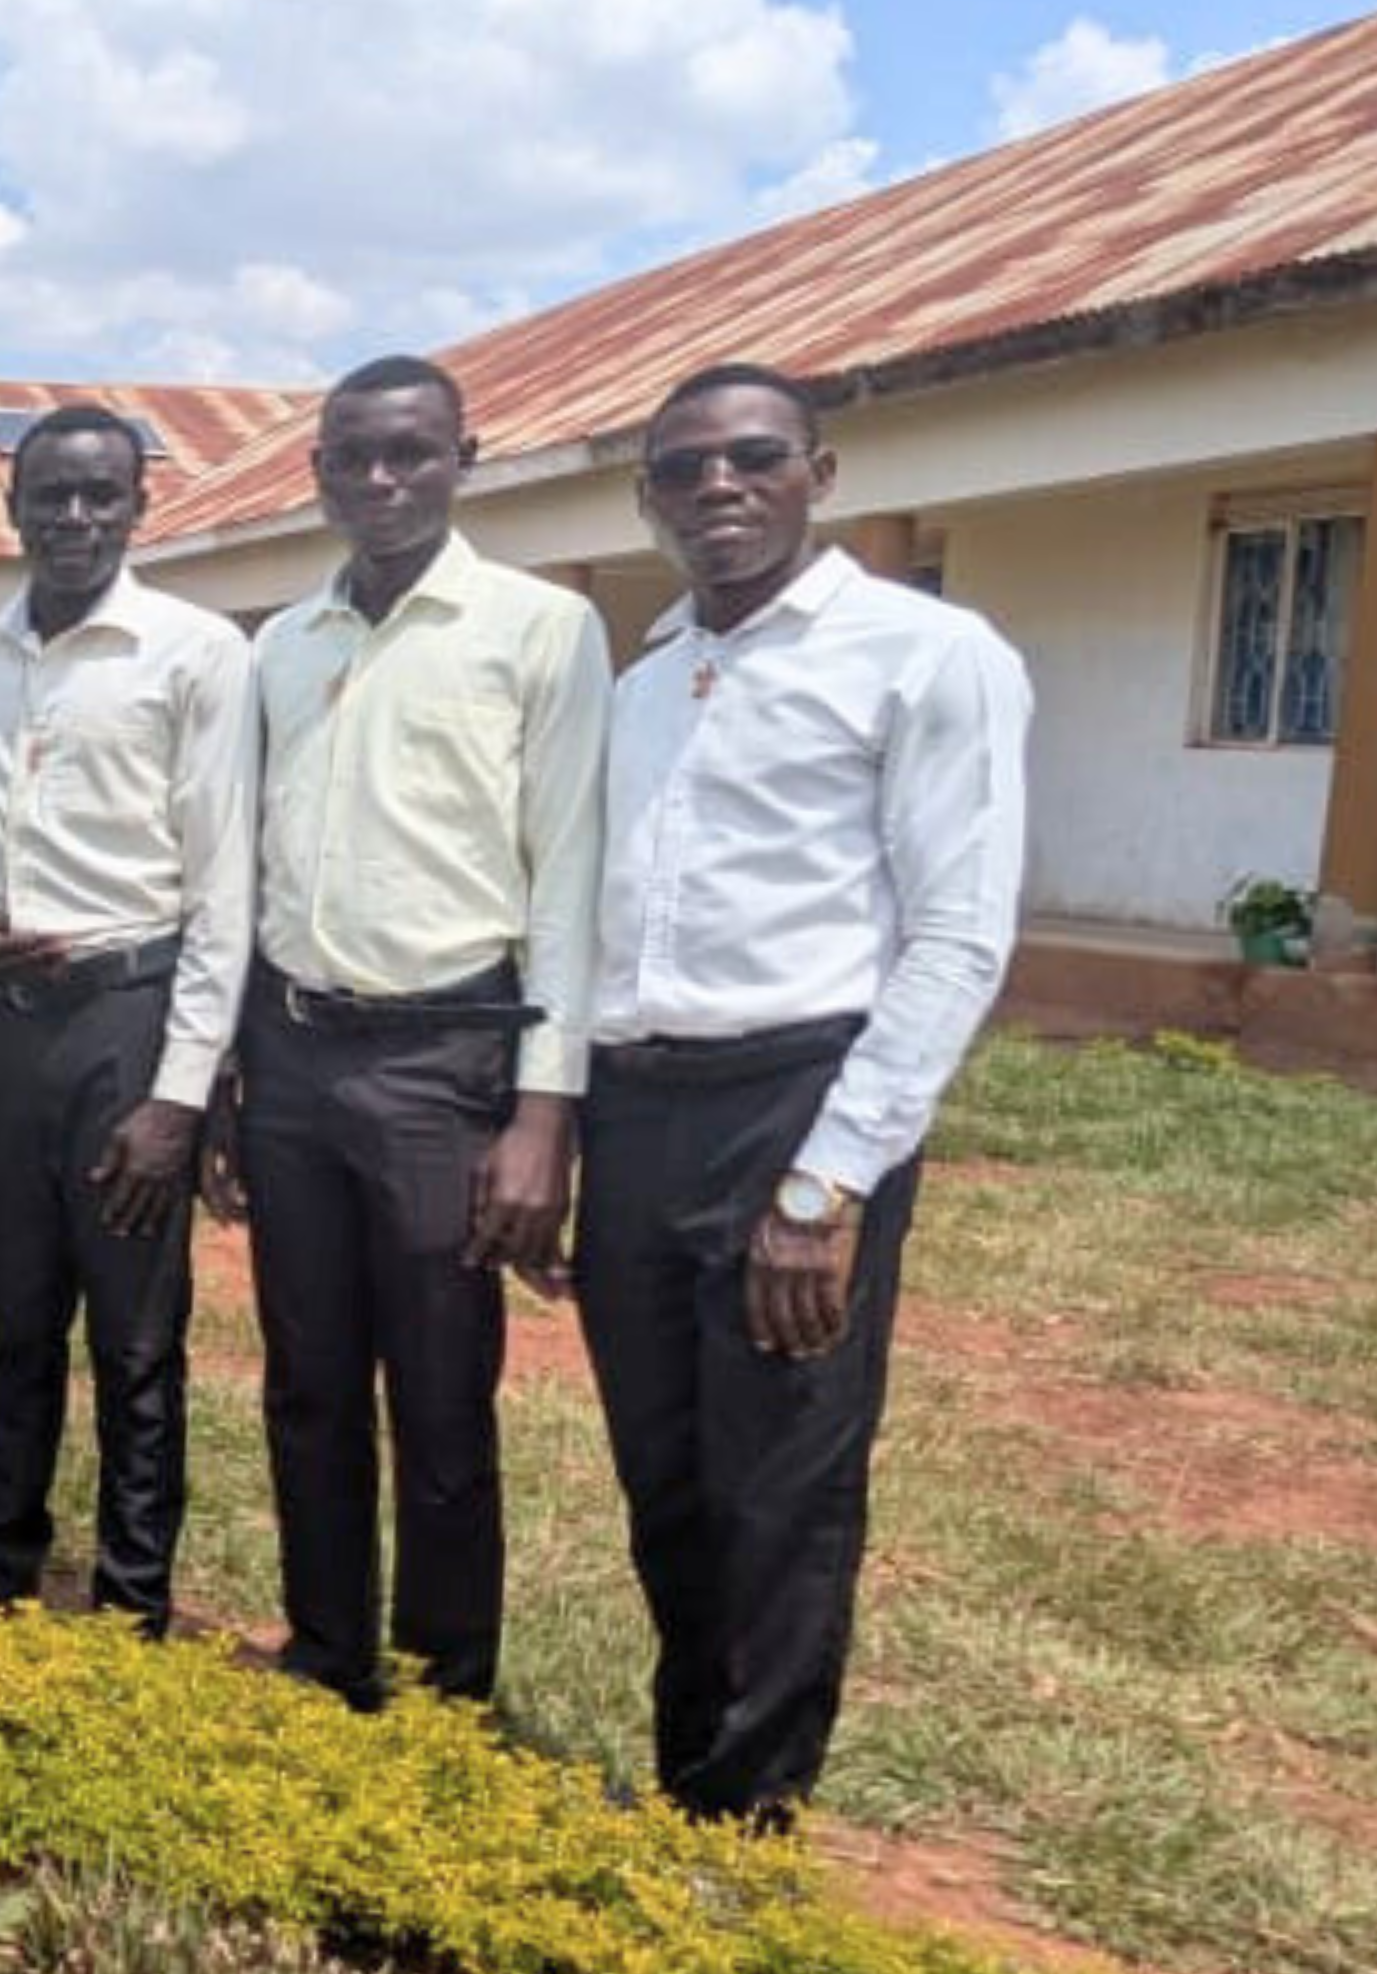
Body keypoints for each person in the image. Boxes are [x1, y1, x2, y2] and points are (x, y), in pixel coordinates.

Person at [579, 362, 1030, 1825]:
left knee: (781, 1480)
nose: (718, 486)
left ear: (818, 474)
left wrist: (827, 1181)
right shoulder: (647, 680)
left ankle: (751, 1817)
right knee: (665, 1472)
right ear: (648, 498)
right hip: (634, 1104)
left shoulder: (924, 654)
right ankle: (686, 1782)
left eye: (753, 457)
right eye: (683, 468)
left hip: (793, 1104)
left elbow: (956, 933)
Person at [213, 355, 610, 1709]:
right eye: (354, 457)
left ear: (463, 459)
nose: (381, 480)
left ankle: (445, 1683)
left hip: (446, 1055)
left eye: (412, 453)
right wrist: (229, 1066)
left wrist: (545, 1108)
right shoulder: (283, 643)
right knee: (307, 1375)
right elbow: (250, 864)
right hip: (292, 1048)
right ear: (319, 471)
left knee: (440, 1386)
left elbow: (569, 871)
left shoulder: (539, 629)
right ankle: (326, 1648)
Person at [0, 404, 253, 1633]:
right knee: (13, 1320)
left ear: (137, 507)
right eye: (51, 496)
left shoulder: (195, 652)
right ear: (11, 507)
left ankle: (130, 1605)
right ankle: (0, 1575)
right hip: (6, 1023)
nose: (74, 517)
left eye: (99, 495)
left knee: (134, 1336)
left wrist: (180, 1094)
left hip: (131, 1017)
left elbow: (222, 882)